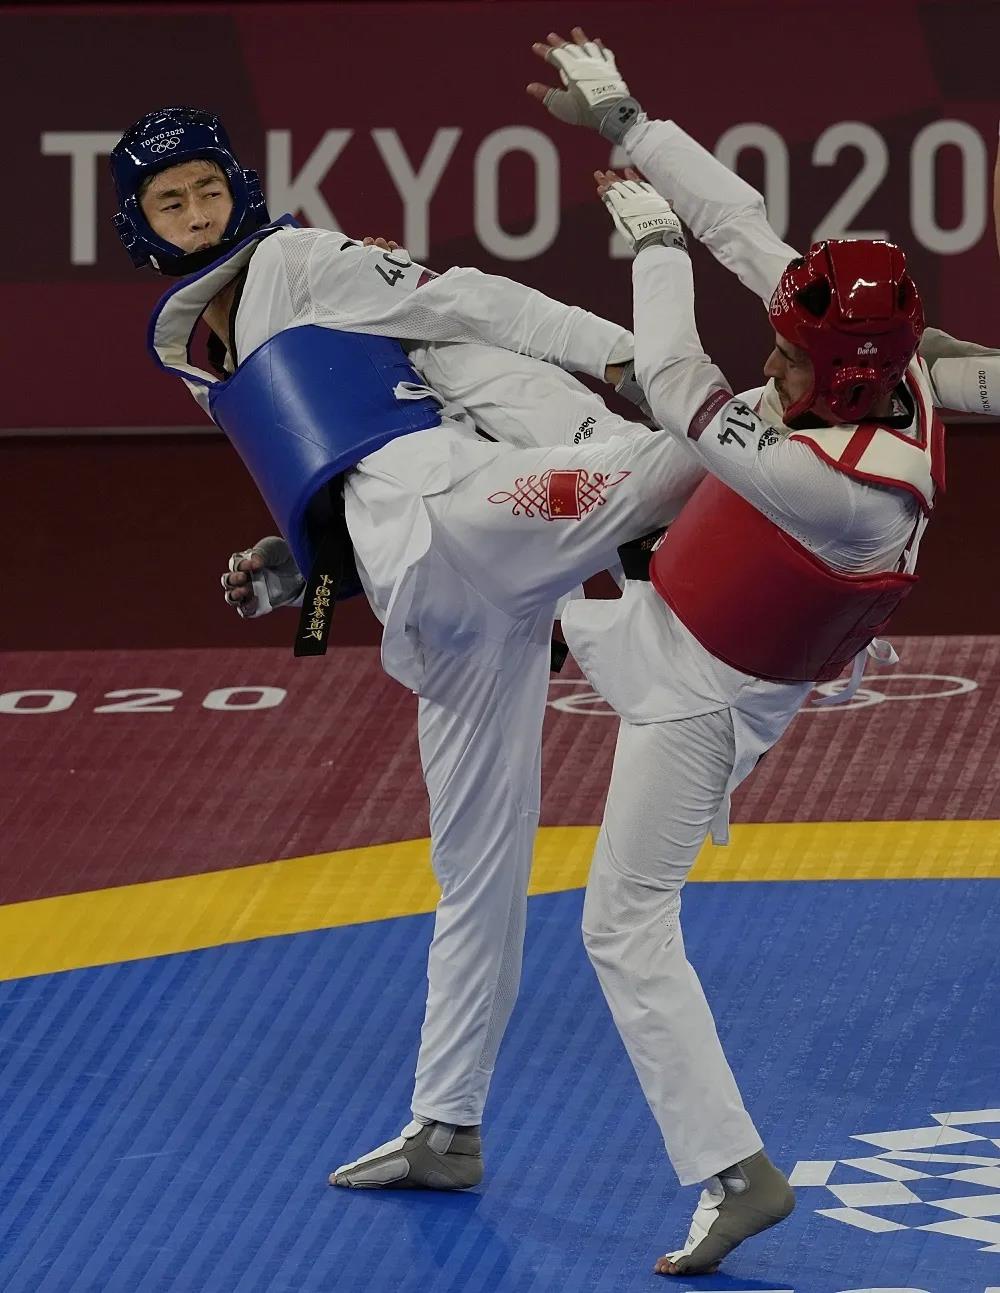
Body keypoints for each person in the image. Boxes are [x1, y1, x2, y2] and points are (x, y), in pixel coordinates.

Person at [110, 108, 706, 1194]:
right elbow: (341, 477)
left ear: (240, 187)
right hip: (440, 610)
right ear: (140, 226)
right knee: (473, 872)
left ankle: (820, 420)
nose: (196, 213)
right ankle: (446, 1126)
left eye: (207, 189)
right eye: (171, 202)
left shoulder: (301, 261)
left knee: (682, 456)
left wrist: (621, 354)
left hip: (468, 517)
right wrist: (298, 574)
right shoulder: (209, 346)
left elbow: (474, 301)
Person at [528, 26, 1000, 1278]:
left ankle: (737, 1176)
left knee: (623, 924)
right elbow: (744, 229)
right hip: (673, 600)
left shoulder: (835, 483)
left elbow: (672, 374)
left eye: (788, 358)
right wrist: (627, 120)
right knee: (524, 514)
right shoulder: (893, 370)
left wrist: (650, 247)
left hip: (704, 693)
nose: (770, 358)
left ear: (844, 381)